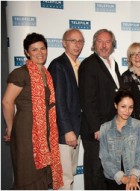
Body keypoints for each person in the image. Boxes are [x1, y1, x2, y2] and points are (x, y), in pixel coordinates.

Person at [2, 32, 63, 189]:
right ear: (26, 52)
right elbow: (7, 102)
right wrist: (10, 128)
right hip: (26, 130)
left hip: (45, 131)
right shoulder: (20, 73)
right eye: (34, 49)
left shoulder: (46, 74)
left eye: (43, 48)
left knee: (42, 173)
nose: (40, 53)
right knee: (28, 173)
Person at [78, 28, 122, 189]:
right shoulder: (89, 65)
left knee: (108, 172)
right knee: (95, 172)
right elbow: (87, 100)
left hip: (112, 128)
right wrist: (97, 128)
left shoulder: (113, 63)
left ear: (112, 44)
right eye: (100, 41)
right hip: (96, 131)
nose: (104, 45)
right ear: (94, 43)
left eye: (108, 42)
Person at [48, 29, 84, 189]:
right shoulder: (58, 65)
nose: (77, 45)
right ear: (64, 43)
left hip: (76, 130)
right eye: (72, 41)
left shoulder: (78, 65)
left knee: (70, 174)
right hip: (65, 133)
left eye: (80, 41)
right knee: (64, 177)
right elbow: (58, 102)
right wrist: (67, 130)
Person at [99, 89, 140, 190]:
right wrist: (122, 178)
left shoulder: (139, 126)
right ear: (116, 105)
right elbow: (105, 158)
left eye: (131, 107)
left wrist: (133, 177)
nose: (127, 111)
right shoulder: (105, 128)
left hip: (134, 180)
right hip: (113, 179)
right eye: (123, 106)